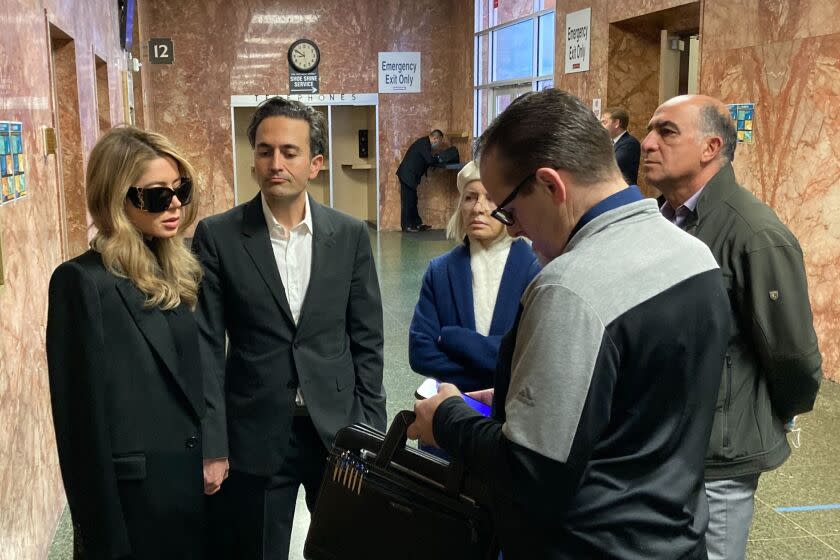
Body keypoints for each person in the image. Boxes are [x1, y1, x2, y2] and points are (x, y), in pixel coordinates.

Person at [407, 88, 731, 559]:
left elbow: (531, 471)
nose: (513, 229)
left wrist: (449, 419)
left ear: (551, 185)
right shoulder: (693, 255)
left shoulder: (569, 286)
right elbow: (640, 401)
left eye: (510, 211)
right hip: (675, 540)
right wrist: (525, 397)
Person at [193, 96, 386, 560]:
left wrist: (372, 432)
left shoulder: (350, 235)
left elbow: (367, 340)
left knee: (343, 549)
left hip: (337, 429)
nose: (275, 163)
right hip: (255, 432)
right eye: (264, 150)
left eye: (289, 152)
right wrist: (213, 444)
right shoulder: (218, 236)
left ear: (315, 163)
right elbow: (205, 345)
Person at [642, 94, 823, 560]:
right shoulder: (660, 221)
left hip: (719, 458)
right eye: (649, 130)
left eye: (666, 132)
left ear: (711, 148)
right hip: (661, 444)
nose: (647, 144)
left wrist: (764, 414)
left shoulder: (754, 234)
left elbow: (794, 358)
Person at [46, 127, 206, 559]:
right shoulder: (81, 282)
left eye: (180, 190)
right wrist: (102, 538)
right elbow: (80, 427)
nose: (175, 204)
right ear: (118, 198)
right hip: (133, 508)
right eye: (156, 195)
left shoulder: (172, 267)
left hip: (187, 493)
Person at [408, 160, 540, 393]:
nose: (478, 208)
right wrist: (492, 371)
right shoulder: (440, 271)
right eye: (470, 197)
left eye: (490, 198)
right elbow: (420, 353)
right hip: (457, 407)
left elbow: (534, 355)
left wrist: (455, 338)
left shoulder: (535, 270)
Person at [397, 129, 444, 232]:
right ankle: (407, 226)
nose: (438, 144)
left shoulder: (424, 143)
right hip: (407, 175)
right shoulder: (424, 144)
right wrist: (439, 159)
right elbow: (429, 160)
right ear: (435, 138)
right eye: (439, 142)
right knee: (408, 201)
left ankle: (417, 224)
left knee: (413, 200)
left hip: (410, 176)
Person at [601, 107, 640, 185]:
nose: (600, 126)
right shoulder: (610, 143)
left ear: (616, 123)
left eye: (604, 122)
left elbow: (610, 166)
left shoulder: (630, 143)